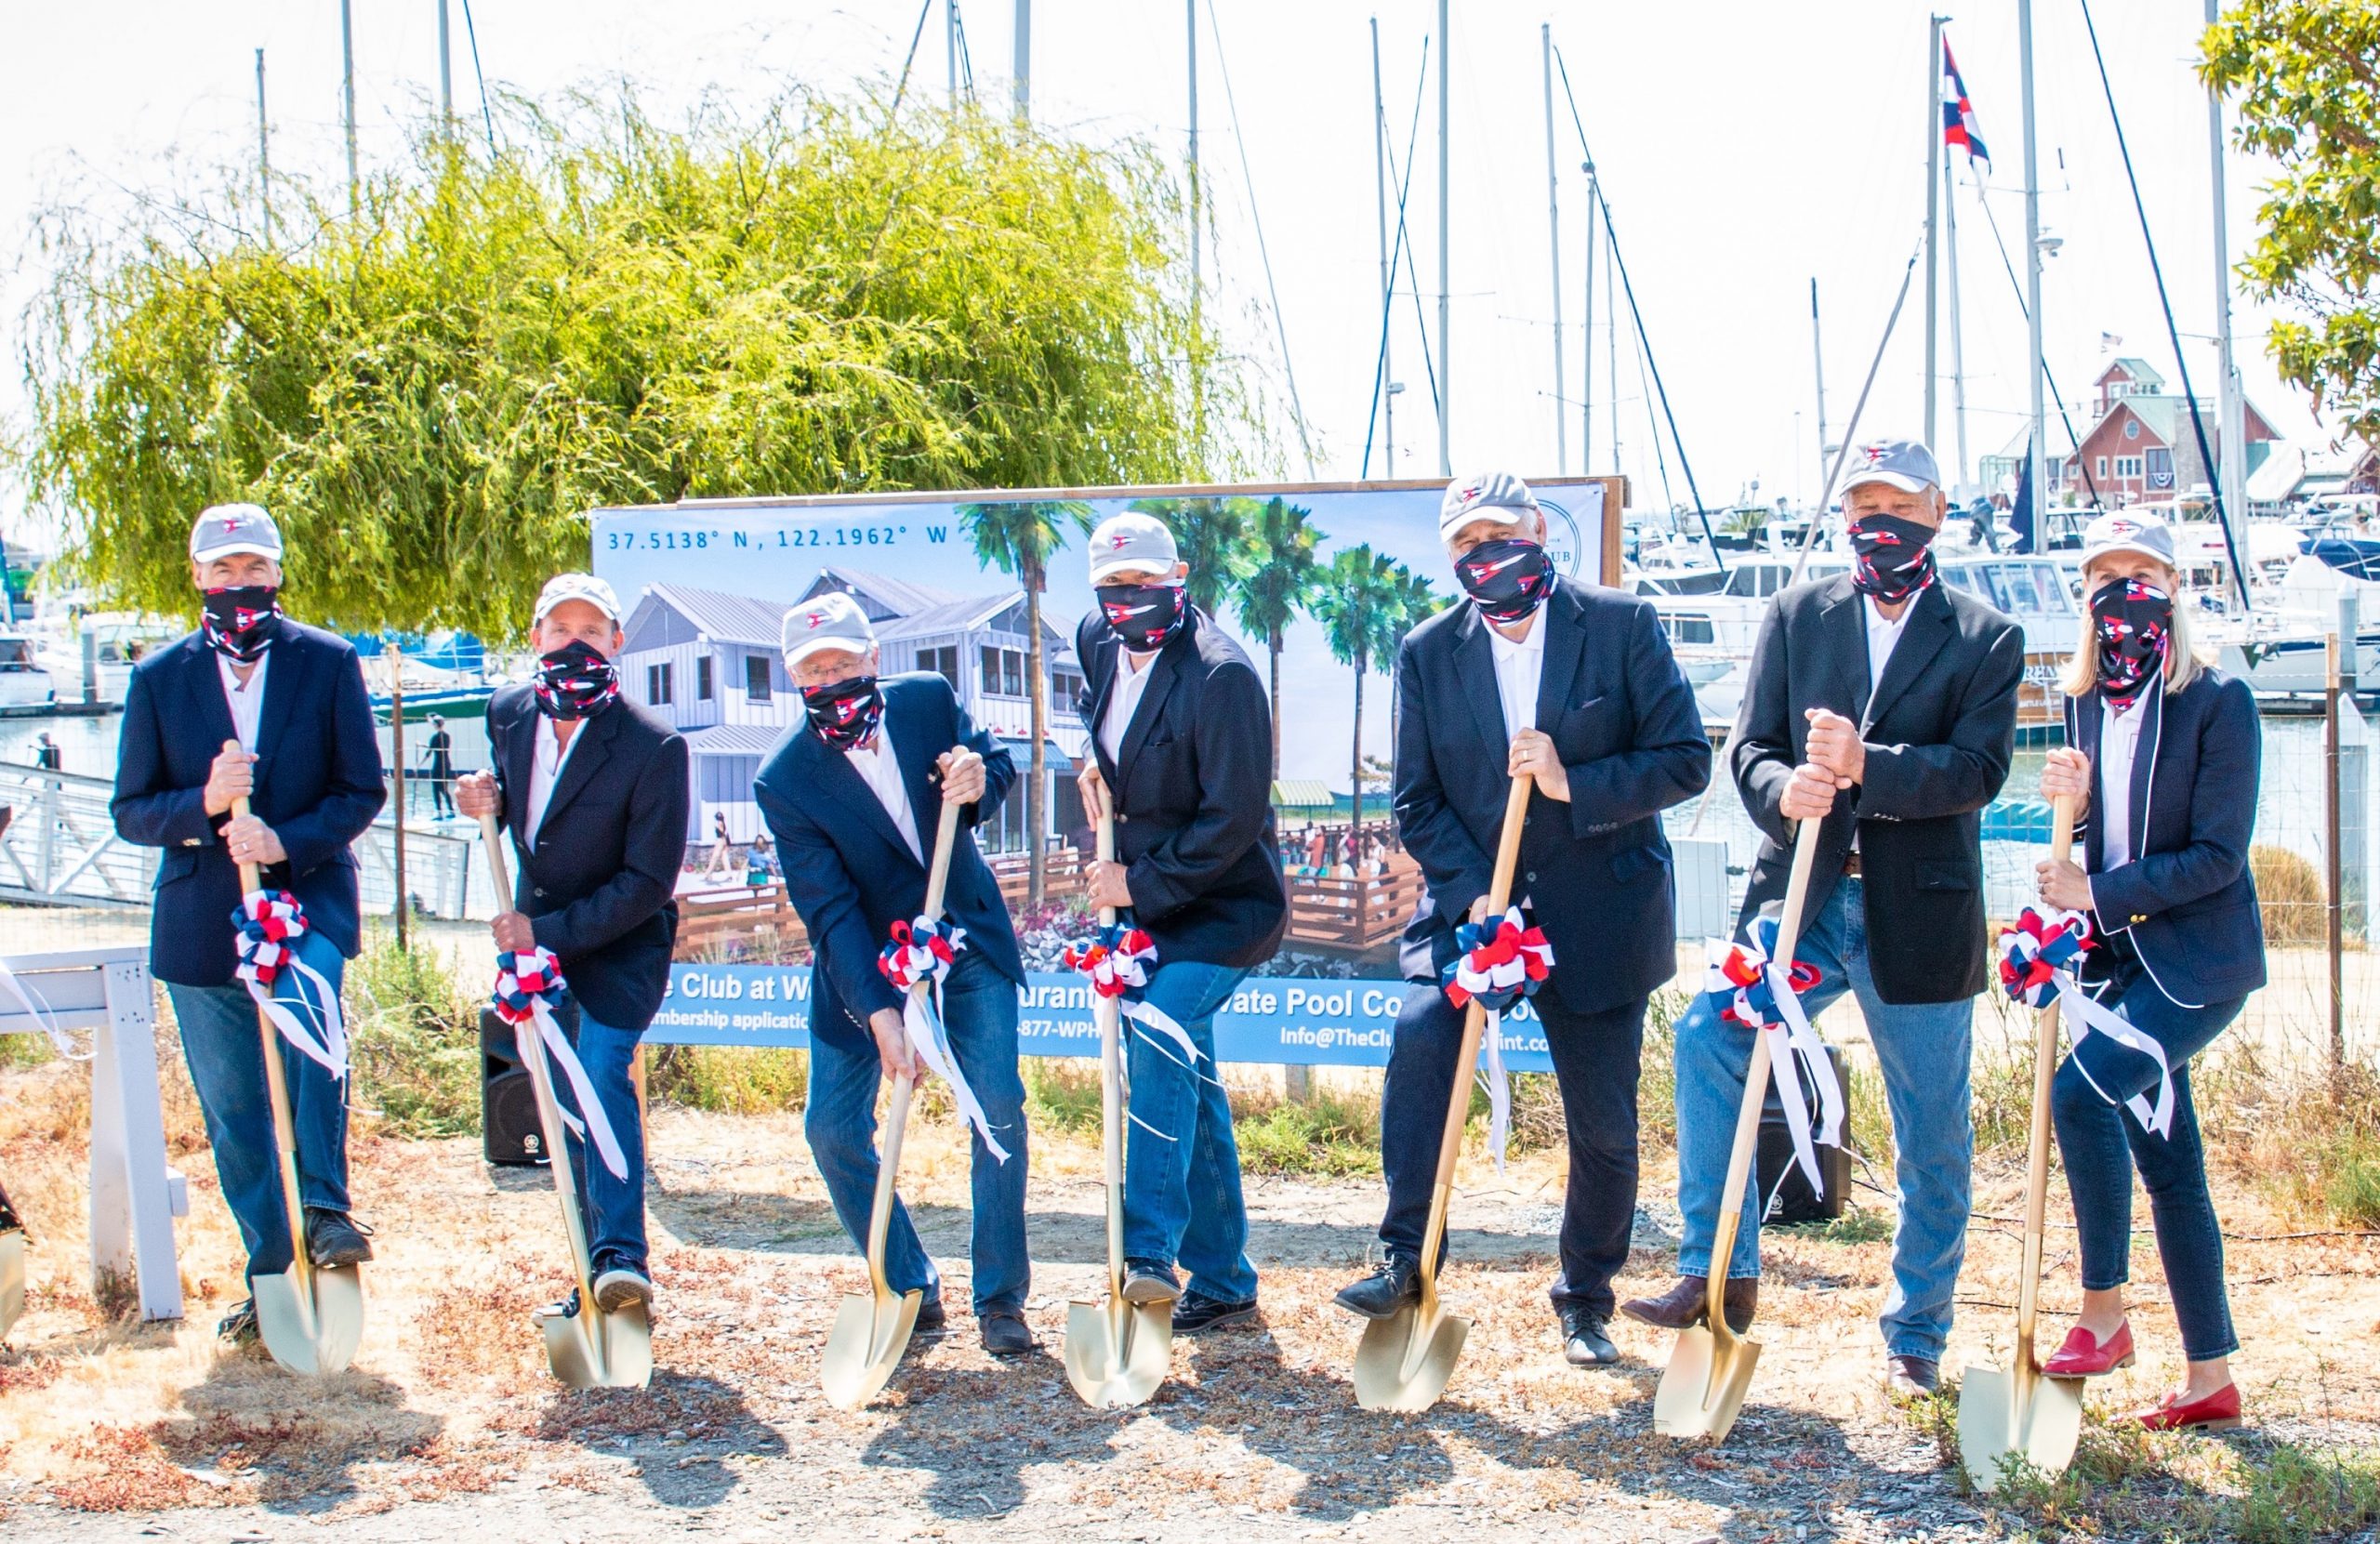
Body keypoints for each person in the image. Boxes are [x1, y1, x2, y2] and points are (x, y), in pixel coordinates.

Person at [1623, 438, 2024, 1397]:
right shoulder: (1801, 612)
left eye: (1893, 504)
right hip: (1799, 897)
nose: (1873, 524)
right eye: (1859, 506)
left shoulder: (1985, 636)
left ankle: (1915, 1328)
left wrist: (1865, 765)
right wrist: (1784, 790)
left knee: (1931, 1129)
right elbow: (1750, 745)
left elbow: (1977, 771)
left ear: (1935, 509)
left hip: (1915, 914)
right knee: (1708, 1036)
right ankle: (1718, 1267)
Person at [1333, 471, 1710, 1366]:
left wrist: (1571, 780)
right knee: (1423, 1041)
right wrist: (1474, 891)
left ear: (1539, 530)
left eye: (1499, 534)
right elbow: (1416, 803)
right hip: (1477, 911)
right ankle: (1406, 1256)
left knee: (1605, 1124)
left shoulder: (1620, 626)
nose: (1484, 555)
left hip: (1600, 910)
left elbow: (1685, 760)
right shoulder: (1428, 651)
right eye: (1465, 543)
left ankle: (1586, 1294)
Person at [110, 504, 386, 1346]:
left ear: (277, 573)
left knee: (312, 1038)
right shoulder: (160, 678)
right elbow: (130, 808)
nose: (239, 585)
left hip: (305, 902)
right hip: (201, 919)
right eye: (222, 570)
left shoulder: (329, 663)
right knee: (234, 1109)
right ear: (198, 576)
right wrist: (204, 805)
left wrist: (282, 837)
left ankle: (326, 1212)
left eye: (253, 570)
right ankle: (272, 1271)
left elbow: (360, 790)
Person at [753, 592, 1036, 1358]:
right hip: (867, 961)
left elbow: (999, 766)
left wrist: (980, 778)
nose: (831, 678)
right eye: (814, 669)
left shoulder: (927, 703)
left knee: (997, 1108)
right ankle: (909, 1281)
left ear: (873, 659)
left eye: (843, 662)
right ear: (794, 678)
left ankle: (1001, 1299)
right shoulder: (784, 779)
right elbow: (830, 913)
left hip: (965, 937)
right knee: (832, 1127)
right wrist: (879, 1014)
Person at [2030, 511, 2262, 1432]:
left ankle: (2102, 1313)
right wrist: (2071, 823)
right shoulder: (2082, 701)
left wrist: (2093, 888)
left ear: (2173, 588)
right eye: (2104, 573)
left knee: (2079, 1098)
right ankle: (2210, 1375)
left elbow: (2215, 854)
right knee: (2170, 1167)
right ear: (2085, 596)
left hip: (2197, 966)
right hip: (2123, 958)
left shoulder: (2219, 700)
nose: (2122, 588)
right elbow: (2099, 844)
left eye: (2141, 571)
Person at [1073, 509, 1286, 1333]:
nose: (1128, 601)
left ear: (1180, 575)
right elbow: (1110, 731)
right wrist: (1093, 762)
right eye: (1114, 587)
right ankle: (1226, 1274)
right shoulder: (1098, 638)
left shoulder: (1222, 676)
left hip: (1227, 904)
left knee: (1159, 1027)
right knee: (1186, 1067)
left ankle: (1148, 1256)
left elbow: (1233, 819)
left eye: (1144, 584)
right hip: (1148, 902)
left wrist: (1137, 881)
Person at [454, 574, 688, 1315]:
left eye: (592, 631)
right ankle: (594, 1269)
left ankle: (625, 1256)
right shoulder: (508, 713)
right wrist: (479, 803)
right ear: (536, 638)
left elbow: (648, 882)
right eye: (561, 630)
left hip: (621, 944)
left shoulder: (655, 746)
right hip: (539, 947)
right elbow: (523, 818)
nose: (575, 643)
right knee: (559, 1100)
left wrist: (544, 932)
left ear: (617, 642)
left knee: (598, 1072)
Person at [424, 714, 456, 818]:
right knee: (444, 788)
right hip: (447, 764)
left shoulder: (435, 737)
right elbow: (439, 747)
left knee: (436, 788)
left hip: (438, 765)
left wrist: (418, 765)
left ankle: (439, 812)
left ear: (436, 725)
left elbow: (429, 752)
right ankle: (451, 811)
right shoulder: (447, 736)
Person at [702, 810, 734, 881]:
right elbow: (725, 833)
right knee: (724, 857)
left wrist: (718, 828)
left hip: (720, 840)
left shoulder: (719, 823)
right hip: (724, 840)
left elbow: (722, 831)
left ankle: (708, 874)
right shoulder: (723, 823)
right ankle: (729, 875)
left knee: (715, 857)